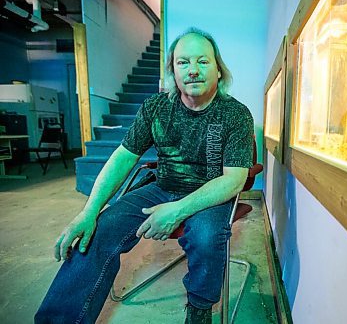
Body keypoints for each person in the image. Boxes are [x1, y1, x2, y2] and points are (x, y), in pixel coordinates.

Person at [34, 27, 254, 324]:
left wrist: (177, 211)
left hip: (210, 194)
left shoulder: (236, 114)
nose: (193, 70)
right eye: (183, 62)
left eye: (203, 61)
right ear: (173, 71)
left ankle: (200, 308)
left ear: (218, 69)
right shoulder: (155, 108)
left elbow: (233, 179)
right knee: (99, 229)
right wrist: (89, 211)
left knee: (206, 236)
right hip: (162, 186)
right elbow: (123, 158)